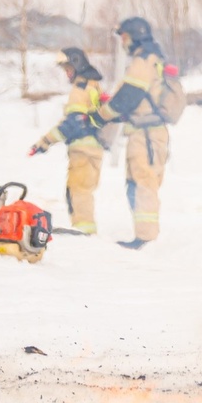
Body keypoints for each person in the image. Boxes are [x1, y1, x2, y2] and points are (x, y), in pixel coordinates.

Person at [89, 17, 171, 249]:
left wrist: (100, 116)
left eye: (124, 37)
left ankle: (146, 239)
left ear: (135, 36)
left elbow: (128, 97)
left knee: (144, 184)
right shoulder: (149, 58)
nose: (123, 42)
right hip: (142, 133)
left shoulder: (144, 60)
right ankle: (143, 236)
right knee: (136, 183)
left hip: (147, 135)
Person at [29, 48, 106, 235]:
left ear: (78, 64)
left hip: (83, 149)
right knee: (79, 192)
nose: (67, 73)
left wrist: (44, 142)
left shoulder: (81, 88)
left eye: (68, 68)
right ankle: (85, 232)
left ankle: (84, 235)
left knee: (78, 193)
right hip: (92, 148)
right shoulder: (93, 85)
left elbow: (73, 122)